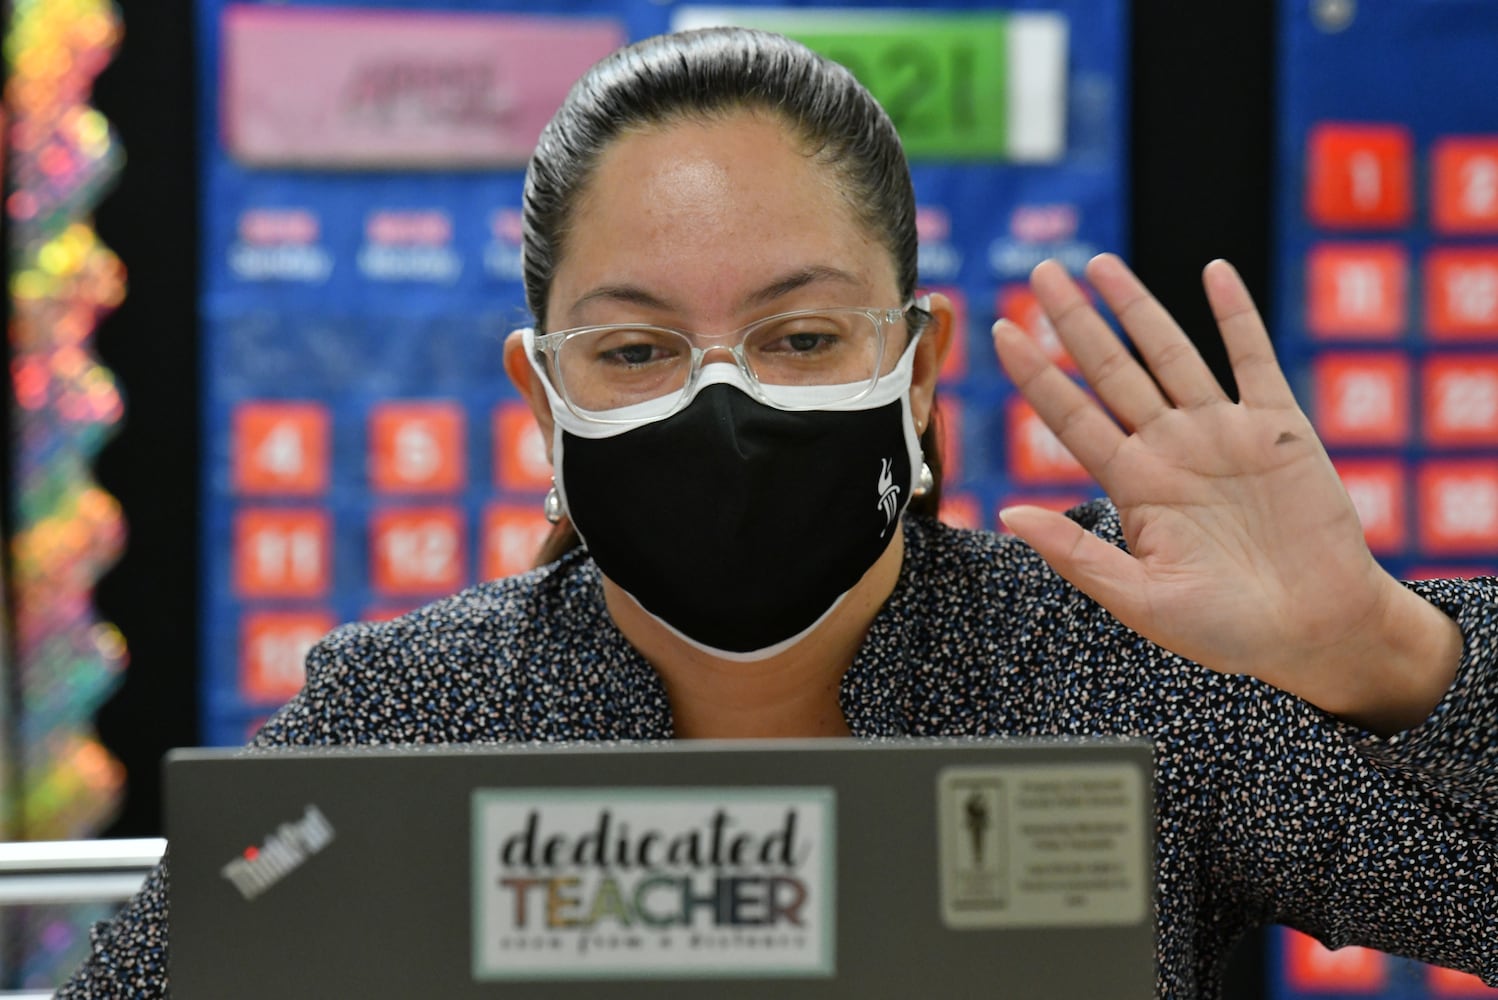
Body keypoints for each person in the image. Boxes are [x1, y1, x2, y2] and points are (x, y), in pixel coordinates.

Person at [59, 26, 1496, 1000]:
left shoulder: (1112, 671)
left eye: (801, 338)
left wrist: (1383, 649)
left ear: (915, 369)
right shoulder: (413, 717)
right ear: (543, 395)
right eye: (635, 351)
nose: (722, 406)